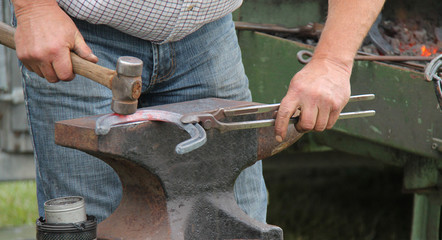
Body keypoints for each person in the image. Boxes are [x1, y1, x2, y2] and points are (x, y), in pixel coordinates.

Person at [11, 0, 385, 223]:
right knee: (92, 223)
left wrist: (332, 61)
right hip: (81, 38)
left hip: (206, 36)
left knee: (234, 222)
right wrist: (34, 8)